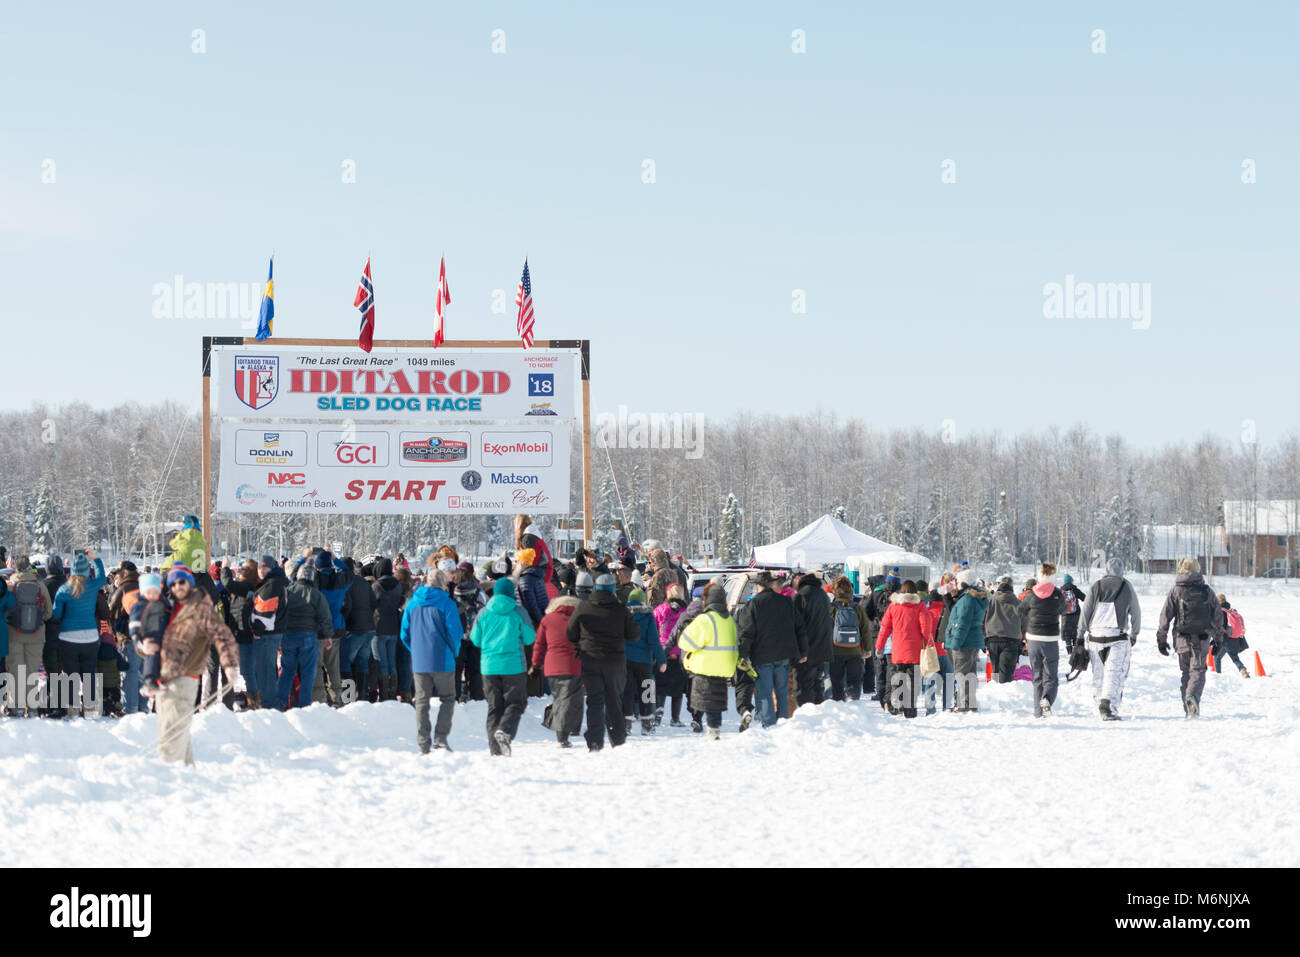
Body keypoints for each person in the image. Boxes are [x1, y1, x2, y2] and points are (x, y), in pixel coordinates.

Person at [155, 564, 239, 764]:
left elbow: (222, 636)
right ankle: (185, 768)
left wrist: (228, 665)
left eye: (182, 582)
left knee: (174, 725)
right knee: (168, 724)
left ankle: (169, 767)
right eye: (173, 583)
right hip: (165, 675)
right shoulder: (166, 607)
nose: (178, 587)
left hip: (187, 675)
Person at [567, 572, 637, 751]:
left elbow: (570, 633)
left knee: (595, 700)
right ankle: (618, 738)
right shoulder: (621, 609)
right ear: (613, 589)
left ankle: (595, 740)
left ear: (596, 588)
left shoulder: (584, 607)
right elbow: (634, 635)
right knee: (614, 699)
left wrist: (581, 645)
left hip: (590, 660)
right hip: (615, 662)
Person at [400, 569, 464, 753]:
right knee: (447, 698)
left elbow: (404, 633)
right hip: (443, 659)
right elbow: (455, 632)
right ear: (443, 584)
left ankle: (423, 741)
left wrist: (415, 651)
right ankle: (441, 738)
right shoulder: (447, 603)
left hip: (420, 661)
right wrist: (454, 651)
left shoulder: (412, 603)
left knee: (421, 701)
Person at [470, 577, 535, 755]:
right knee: (516, 702)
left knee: (494, 707)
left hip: (489, 667)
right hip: (514, 666)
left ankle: (495, 750)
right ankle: (505, 732)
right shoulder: (518, 611)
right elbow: (530, 638)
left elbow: (475, 639)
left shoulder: (483, 612)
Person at [736, 570, 807, 729]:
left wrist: (742, 655)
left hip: (762, 657)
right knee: (782, 691)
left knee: (765, 692)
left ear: (758, 586)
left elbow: (746, 633)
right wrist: (803, 651)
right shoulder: (786, 602)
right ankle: (783, 721)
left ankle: (768, 725)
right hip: (784, 655)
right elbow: (799, 628)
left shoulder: (753, 604)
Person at [1155, 557, 1221, 718]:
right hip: (1202, 638)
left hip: (1181, 638)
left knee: (1185, 672)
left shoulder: (1175, 591)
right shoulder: (1207, 590)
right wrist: (1218, 639)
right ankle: (1193, 698)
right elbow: (1218, 616)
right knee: (1197, 671)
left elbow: (1165, 616)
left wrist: (1161, 639)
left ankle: (1188, 706)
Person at [1077, 557, 1142, 720]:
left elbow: (1085, 611)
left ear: (1106, 569)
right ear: (1122, 570)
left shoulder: (1096, 586)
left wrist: (1079, 635)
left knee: (1099, 673)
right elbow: (1136, 611)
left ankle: (1099, 706)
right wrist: (1134, 633)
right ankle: (1108, 706)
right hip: (1117, 636)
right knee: (1114, 672)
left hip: (1095, 637)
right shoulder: (1126, 586)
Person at [51, 549, 107, 717]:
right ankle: (89, 708)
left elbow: (56, 614)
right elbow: (103, 577)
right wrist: (95, 559)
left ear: (72, 570)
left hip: (68, 637)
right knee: (89, 673)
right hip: (90, 636)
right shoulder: (92, 585)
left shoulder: (64, 590)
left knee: (71, 674)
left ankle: (72, 709)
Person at [679, 581, 738, 740]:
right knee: (716, 700)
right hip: (725, 667)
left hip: (704, 666)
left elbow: (685, 642)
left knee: (705, 699)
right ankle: (715, 728)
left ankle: (708, 728)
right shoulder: (729, 620)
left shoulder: (705, 619)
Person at [876, 580, 936, 718]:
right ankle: (910, 711)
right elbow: (925, 629)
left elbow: (884, 629)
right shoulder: (920, 606)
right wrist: (930, 644)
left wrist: (879, 646)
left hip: (897, 652)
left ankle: (897, 708)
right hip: (914, 653)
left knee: (896, 679)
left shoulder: (893, 607)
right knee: (913, 683)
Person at [278, 563, 332, 711]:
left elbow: (279, 613)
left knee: (287, 670)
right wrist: (328, 636)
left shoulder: (288, 591)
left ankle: (281, 702)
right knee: (308, 672)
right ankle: (304, 704)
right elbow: (325, 616)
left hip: (288, 635)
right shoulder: (315, 594)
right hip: (308, 635)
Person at [4, 556, 52, 716]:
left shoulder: (10, 586)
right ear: (30, 569)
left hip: (14, 634)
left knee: (16, 672)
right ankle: (32, 708)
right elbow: (48, 612)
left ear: (15, 569)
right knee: (32, 672)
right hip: (37, 636)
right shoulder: (40, 586)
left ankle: (16, 707)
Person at [533, 593, 583, 747]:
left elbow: (539, 644)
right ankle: (564, 732)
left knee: (560, 698)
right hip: (574, 665)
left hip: (552, 666)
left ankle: (566, 728)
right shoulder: (580, 620)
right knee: (572, 698)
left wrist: (536, 663)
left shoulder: (547, 619)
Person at [1018, 563, 1064, 718]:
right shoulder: (1057, 593)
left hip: (1033, 639)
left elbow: (1021, 611)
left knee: (1037, 676)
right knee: (1051, 676)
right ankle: (1047, 699)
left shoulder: (1031, 594)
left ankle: (1038, 713)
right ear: (1053, 576)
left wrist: (1025, 630)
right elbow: (1064, 610)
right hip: (1050, 639)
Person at [244, 556, 288, 710]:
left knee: (265, 671)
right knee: (266, 670)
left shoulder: (272, 585)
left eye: (265, 568)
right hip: (272, 633)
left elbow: (265, 611)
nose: (262, 571)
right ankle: (270, 704)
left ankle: (270, 706)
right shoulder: (276, 582)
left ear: (272, 568)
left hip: (266, 634)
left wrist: (257, 630)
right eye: (260, 568)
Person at [624, 589, 667, 735]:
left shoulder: (623, 615)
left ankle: (626, 724)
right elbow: (654, 641)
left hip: (626, 659)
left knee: (627, 691)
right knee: (646, 691)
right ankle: (647, 724)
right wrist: (661, 660)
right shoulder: (648, 616)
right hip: (644, 661)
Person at [944, 569, 988, 713]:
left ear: (963, 582)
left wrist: (955, 644)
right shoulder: (971, 597)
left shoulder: (967, 600)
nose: (954, 583)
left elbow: (962, 623)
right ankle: (970, 704)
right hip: (971, 641)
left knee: (962, 675)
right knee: (969, 674)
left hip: (964, 642)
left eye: (956, 581)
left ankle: (964, 705)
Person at [791, 573, 832, 708]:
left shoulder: (801, 596)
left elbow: (795, 625)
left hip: (807, 648)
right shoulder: (823, 595)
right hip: (823, 647)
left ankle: (806, 715)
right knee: (817, 683)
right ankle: (819, 712)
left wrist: (799, 650)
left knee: (803, 685)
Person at [826, 576, 869, 701]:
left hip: (835, 651)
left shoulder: (831, 608)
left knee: (836, 680)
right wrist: (867, 649)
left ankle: (838, 705)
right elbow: (865, 630)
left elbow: (827, 630)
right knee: (854, 680)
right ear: (850, 590)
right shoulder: (857, 608)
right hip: (854, 650)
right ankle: (853, 703)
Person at [339, 557, 375, 705]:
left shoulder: (344, 582)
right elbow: (373, 602)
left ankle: (348, 698)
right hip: (369, 627)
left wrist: (345, 623)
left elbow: (346, 604)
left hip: (353, 628)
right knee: (362, 662)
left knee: (345, 662)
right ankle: (363, 697)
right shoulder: (362, 581)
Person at [653, 583, 689, 726]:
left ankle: (659, 713)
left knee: (661, 685)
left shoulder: (659, 610)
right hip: (679, 653)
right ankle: (675, 719)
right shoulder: (685, 612)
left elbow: (654, 631)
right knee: (677, 688)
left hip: (663, 652)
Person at [129, 573, 169, 698]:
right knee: (151, 657)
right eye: (149, 592)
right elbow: (134, 621)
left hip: (162, 636)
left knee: (161, 659)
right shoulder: (140, 605)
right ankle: (149, 681)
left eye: (155, 592)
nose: (152, 596)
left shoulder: (162, 603)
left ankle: (159, 681)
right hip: (149, 636)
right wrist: (136, 636)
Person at [370, 557, 405, 701]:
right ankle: (392, 694)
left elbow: (371, 605)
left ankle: (384, 695)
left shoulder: (376, 586)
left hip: (378, 627)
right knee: (391, 661)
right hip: (394, 627)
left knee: (381, 662)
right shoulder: (398, 585)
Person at [453, 564, 486, 702]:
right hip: (476, 636)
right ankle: (477, 698)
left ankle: (455, 698)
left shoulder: (454, 593)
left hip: (459, 637)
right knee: (475, 670)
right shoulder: (480, 593)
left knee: (456, 669)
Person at [922, 577, 954, 714]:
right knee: (949, 680)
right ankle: (948, 706)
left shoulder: (926, 611)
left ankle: (930, 709)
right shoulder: (947, 609)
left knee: (929, 682)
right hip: (946, 650)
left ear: (929, 592)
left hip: (930, 651)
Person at [983, 577, 1022, 683]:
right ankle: (1004, 695)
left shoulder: (991, 600)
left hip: (992, 638)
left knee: (995, 672)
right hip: (1011, 639)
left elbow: (983, 618)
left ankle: (997, 695)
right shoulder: (1017, 602)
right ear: (1012, 588)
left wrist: (983, 636)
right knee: (1006, 675)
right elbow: (1024, 620)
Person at [1216, 595, 1250, 677]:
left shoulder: (1221, 612)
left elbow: (1220, 626)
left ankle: (1218, 676)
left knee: (1218, 657)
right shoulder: (1231, 610)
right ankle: (1242, 670)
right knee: (1220, 657)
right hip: (1235, 638)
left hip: (1226, 640)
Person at [1060, 573, 1086, 650]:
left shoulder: (1061, 590)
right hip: (1076, 613)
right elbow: (1084, 598)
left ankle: (1068, 647)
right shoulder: (1075, 589)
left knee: (1066, 631)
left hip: (1065, 614)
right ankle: (1075, 647)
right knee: (1075, 629)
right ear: (1071, 581)